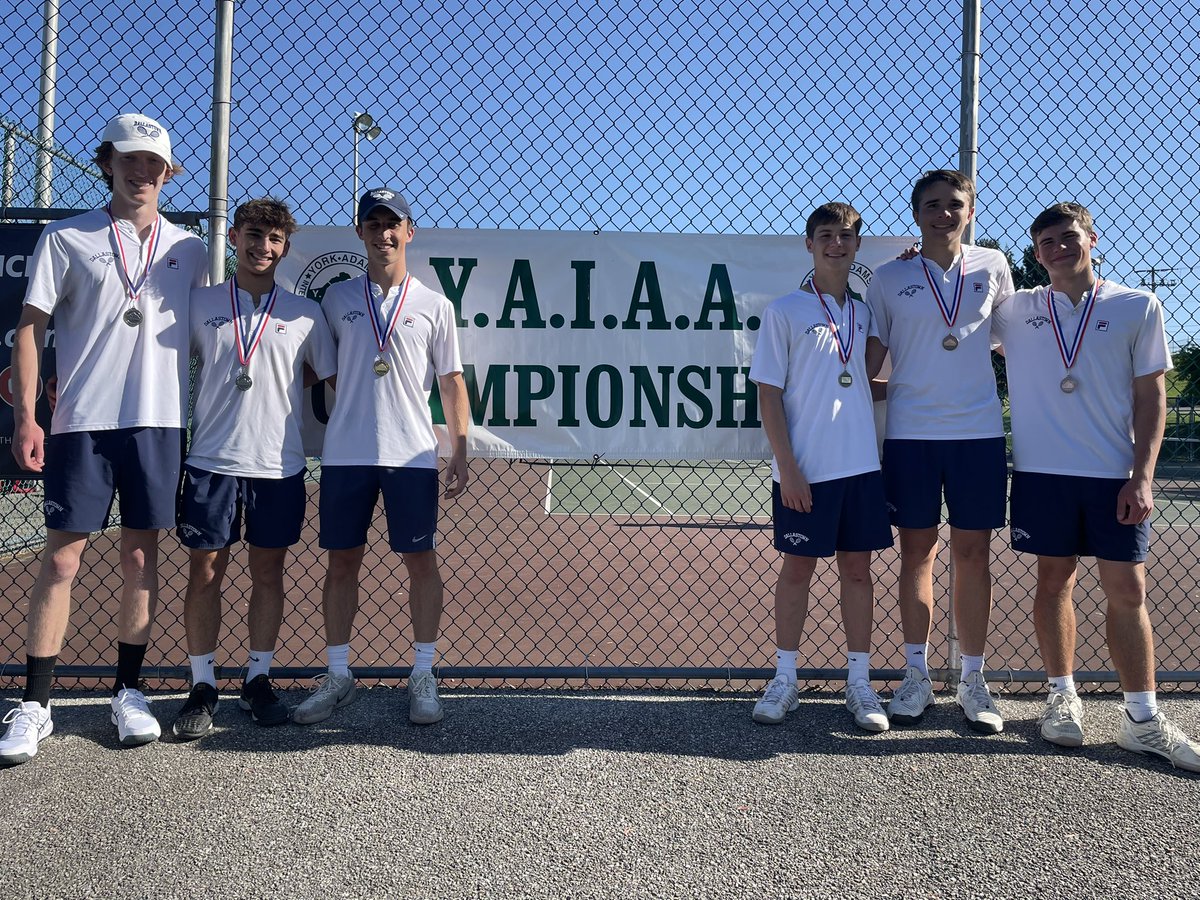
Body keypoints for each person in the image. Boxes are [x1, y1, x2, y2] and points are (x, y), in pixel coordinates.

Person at [0, 113, 207, 765]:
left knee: (141, 560)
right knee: (61, 560)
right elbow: (30, 328)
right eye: (129, 159)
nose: (141, 171)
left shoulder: (192, 247)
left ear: (168, 173)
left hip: (157, 420)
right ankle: (35, 703)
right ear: (107, 163)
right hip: (80, 420)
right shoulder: (65, 237)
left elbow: (213, 330)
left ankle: (128, 691)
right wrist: (28, 416)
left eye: (153, 162)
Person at [993, 202, 1200, 770]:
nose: (1057, 249)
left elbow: (1151, 395)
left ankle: (1142, 717)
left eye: (1067, 238)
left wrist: (1143, 475)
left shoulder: (1138, 305)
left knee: (1127, 591)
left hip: (1114, 474)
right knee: (1053, 580)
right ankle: (1063, 697)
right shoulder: (1014, 310)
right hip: (1041, 472)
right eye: (1045, 244)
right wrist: (923, 256)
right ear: (1035, 255)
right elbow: (949, 319)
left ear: (1091, 239)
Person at [293, 187, 469, 727]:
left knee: (421, 562)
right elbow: (323, 369)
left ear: (409, 232)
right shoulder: (338, 300)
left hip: (412, 455)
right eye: (373, 224)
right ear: (361, 234)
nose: (384, 234)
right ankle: (339, 673)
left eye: (393, 224)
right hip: (346, 455)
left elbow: (451, 381)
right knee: (342, 561)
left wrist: (460, 447)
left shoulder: (435, 304)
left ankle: (422, 672)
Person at [170, 198, 336, 740]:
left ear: (285, 247)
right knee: (205, 573)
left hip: (278, 463)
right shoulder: (197, 304)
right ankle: (202, 684)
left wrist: (279, 386)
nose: (262, 247)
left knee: (269, 572)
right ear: (235, 237)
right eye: (253, 235)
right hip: (211, 460)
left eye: (273, 239)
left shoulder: (305, 313)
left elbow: (323, 375)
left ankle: (258, 679)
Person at [865, 169, 1013, 733]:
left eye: (954, 204)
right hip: (911, 436)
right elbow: (869, 360)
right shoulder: (887, 277)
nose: (943, 213)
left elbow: (1017, 340)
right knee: (917, 556)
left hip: (978, 435)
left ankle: (973, 679)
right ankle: (916, 675)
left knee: (974, 555)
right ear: (916, 213)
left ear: (969, 212)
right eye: (932, 205)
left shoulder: (994, 267)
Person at [748, 202, 893, 732]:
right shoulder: (784, 311)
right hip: (804, 470)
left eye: (847, 236)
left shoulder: (866, 312)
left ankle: (859, 683)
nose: (837, 244)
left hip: (860, 466)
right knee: (798, 570)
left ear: (858, 245)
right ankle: (785, 678)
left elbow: (868, 370)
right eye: (826, 235)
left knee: (858, 571)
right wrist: (788, 469)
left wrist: (907, 270)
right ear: (809, 244)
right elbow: (769, 397)